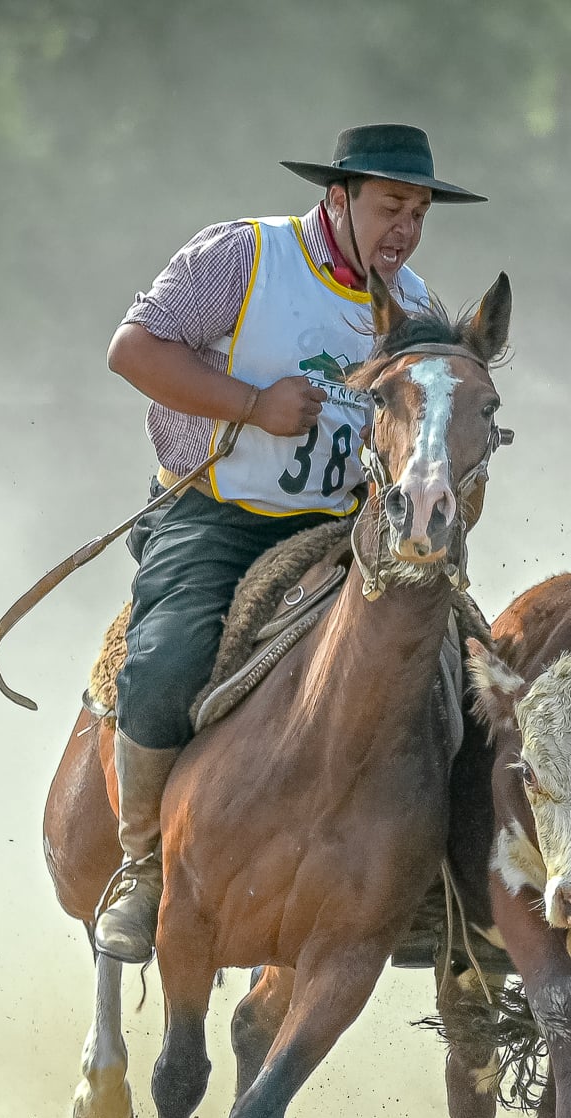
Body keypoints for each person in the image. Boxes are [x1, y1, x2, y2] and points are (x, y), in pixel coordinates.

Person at [92, 124, 485, 964]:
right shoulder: (243, 256)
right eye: (390, 207)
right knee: (165, 659)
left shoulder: (413, 307)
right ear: (337, 198)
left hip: (344, 531)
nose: (405, 229)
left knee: (468, 667)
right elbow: (132, 350)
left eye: (418, 212)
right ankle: (142, 864)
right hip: (215, 515)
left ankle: (456, 888)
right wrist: (250, 403)